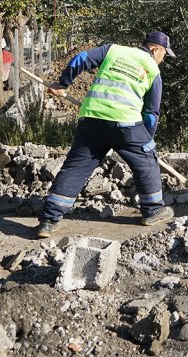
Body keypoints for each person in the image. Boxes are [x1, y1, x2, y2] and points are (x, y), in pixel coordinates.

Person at [35, 31, 178, 238]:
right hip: (126, 125)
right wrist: (147, 140)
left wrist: (63, 84)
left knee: (75, 168)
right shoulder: (153, 70)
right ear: (155, 49)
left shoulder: (113, 50)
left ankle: (48, 220)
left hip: (91, 120)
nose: (163, 60)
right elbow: (151, 114)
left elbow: (81, 59)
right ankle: (153, 210)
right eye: (164, 55)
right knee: (147, 160)